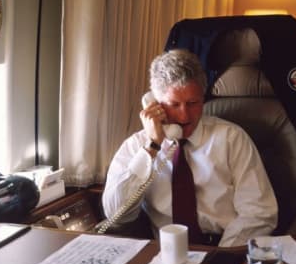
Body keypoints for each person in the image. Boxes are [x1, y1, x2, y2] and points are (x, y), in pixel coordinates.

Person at [102, 49, 278, 247]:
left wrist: (219, 259)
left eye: (193, 103)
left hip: (224, 247)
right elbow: (116, 215)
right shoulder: (135, 146)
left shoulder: (232, 139)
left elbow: (259, 213)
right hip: (165, 253)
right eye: (174, 104)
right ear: (155, 105)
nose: (185, 116)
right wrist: (152, 147)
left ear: (203, 98)